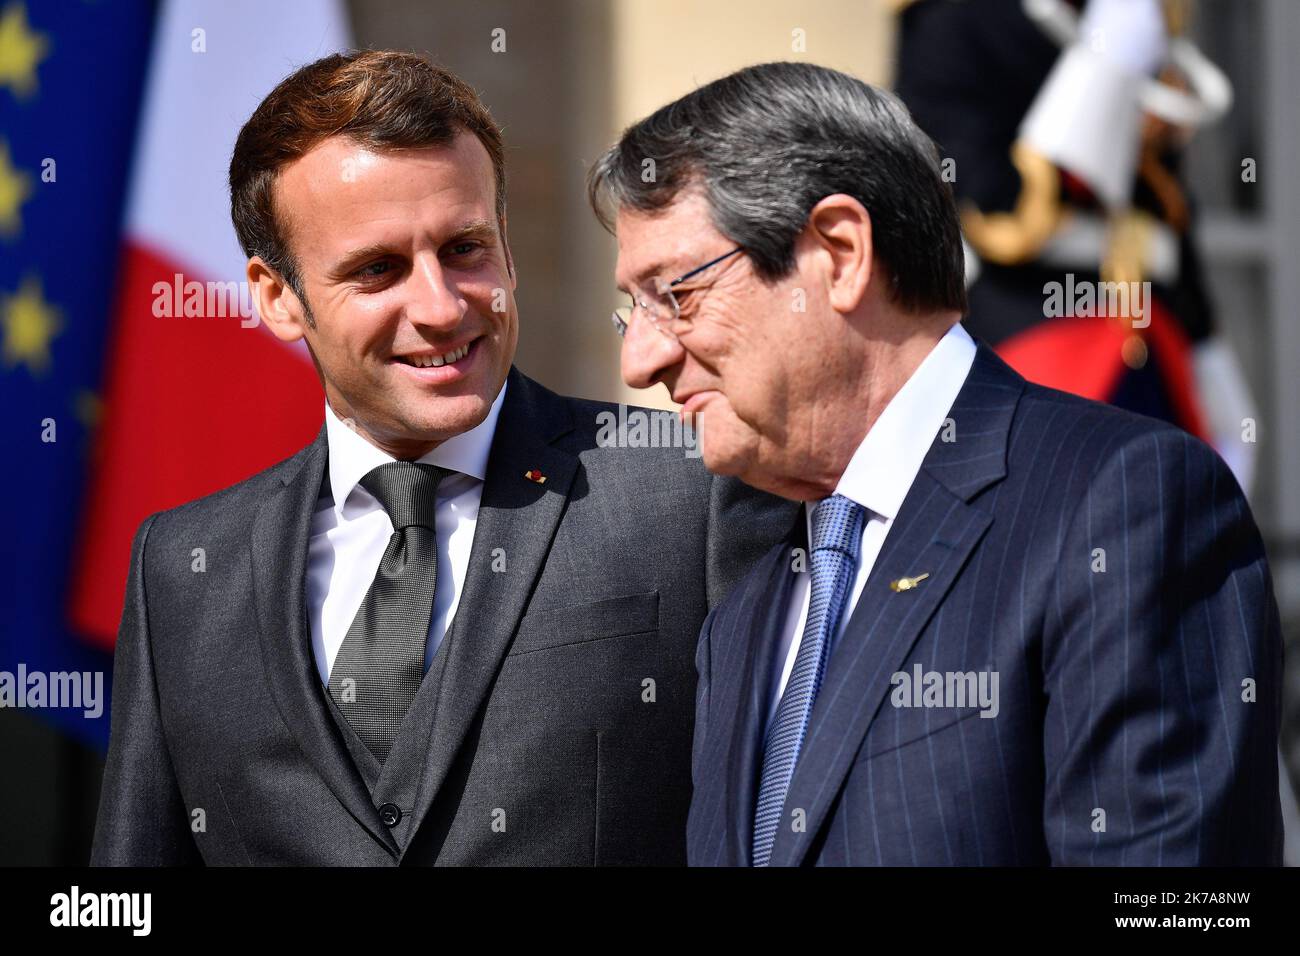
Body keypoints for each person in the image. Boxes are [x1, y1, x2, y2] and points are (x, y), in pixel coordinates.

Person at [90, 50, 794, 866]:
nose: (439, 306)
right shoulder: (181, 569)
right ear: (278, 296)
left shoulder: (698, 488)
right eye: (378, 269)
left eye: (464, 249)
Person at [588, 61, 1283, 866]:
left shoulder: (1122, 504)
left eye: (675, 295)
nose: (641, 361)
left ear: (840, 255)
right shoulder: (748, 593)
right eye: (629, 312)